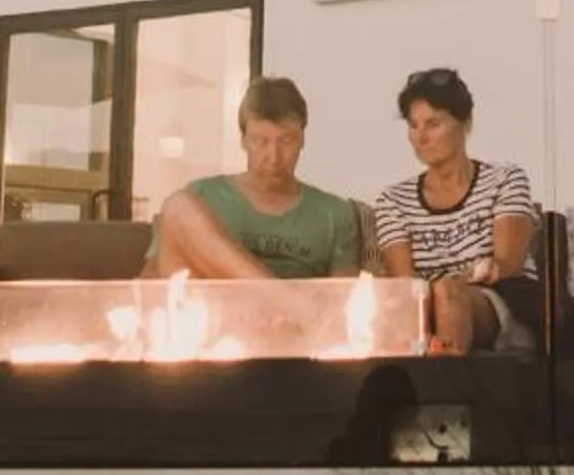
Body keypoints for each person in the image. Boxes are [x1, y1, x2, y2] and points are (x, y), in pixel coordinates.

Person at [373, 67, 539, 357]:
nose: (421, 137)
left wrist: (451, 284)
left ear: (465, 124)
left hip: (502, 305)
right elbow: (407, 286)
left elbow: (507, 266)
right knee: (419, 302)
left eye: (433, 124)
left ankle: (446, 389)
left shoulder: (505, 179)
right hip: (427, 309)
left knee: (447, 293)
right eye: (413, 126)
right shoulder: (393, 201)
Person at [152, 76, 363, 280]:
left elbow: (342, 303)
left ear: (302, 140)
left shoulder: (334, 215)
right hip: (217, 311)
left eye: (286, 141)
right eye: (261, 141)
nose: (274, 157)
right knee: (178, 206)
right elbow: (151, 282)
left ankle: (281, 301)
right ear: (243, 141)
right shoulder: (203, 196)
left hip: (295, 317)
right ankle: (281, 298)